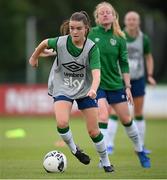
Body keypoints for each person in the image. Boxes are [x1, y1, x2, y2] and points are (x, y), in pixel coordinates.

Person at [29, 11, 114, 173]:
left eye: (78, 28)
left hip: (85, 90)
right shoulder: (60, 42)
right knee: (61, 123)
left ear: (86, 29)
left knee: (94, 131)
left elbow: (97, 74)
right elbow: (45, 42)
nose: (74, 32)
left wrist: (94, 90)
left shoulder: (91, 48)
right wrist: (34, 57)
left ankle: (106, 162)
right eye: (72, 28)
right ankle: (75, 150)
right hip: (63, 87)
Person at [88, 2, 151, 168]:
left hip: (116, 85)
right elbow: (77, 49)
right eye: (102, 13)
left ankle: (139, 150)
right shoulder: (91, 34)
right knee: (103, 116)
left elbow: (124, 64)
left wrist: (128, 86)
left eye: (108, 12)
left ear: (114, 16)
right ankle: (104, 159)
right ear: (97, 17)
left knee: (126, 119)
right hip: (98, 85)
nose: (105, 15)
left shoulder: (120, 37)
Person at [106, 11, 156, 155]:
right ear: (125, 21)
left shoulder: (144, 39)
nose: (131, 22)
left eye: (134, 19)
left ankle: (140, 146)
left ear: (138, 22)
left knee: (138, 112)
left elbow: (148, 57)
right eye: (129, 19)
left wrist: (150, 75)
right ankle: (109, 145)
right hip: (120, 79)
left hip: (139, 78)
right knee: (115, 112)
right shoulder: (118, 36)